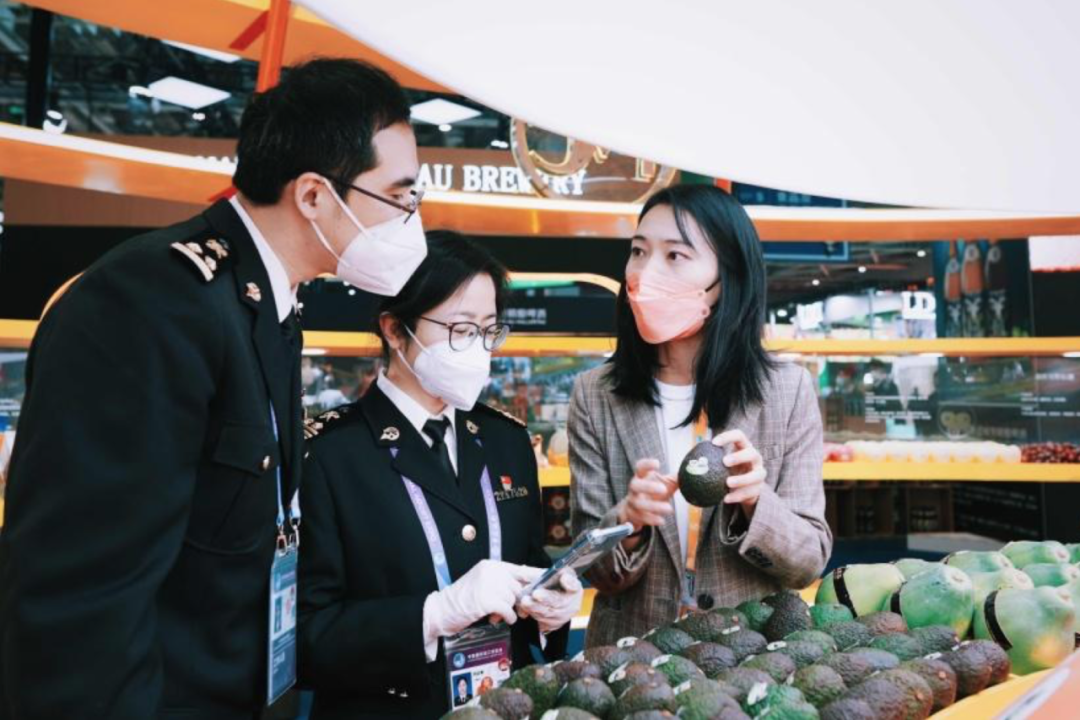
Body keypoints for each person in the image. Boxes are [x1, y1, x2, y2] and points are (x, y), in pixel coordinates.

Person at [0, 58, 427, 719]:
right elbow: (82, 602)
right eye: (400, 197)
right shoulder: (155, 302)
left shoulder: (266, 304)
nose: (409, 219)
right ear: (314, 196)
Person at [299, 231, 582, 719]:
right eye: (460, 328)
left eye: (488, 330)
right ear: (394, 329)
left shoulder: (506, 441)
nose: (478, 348)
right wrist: (433, 614)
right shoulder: (329, 454)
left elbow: (529, 562)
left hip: (505, 705)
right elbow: (305, 637)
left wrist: (550, 608)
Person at [569, 184, 832, 647]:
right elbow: (592, 569)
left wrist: (755, 502)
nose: (645, 272)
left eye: (675, 255)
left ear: (726, 277)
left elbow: (808, 563)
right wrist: (628, 521)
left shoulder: (786, 391)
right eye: (638, 251)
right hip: (628, 659)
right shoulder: (595, 394)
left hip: (749, 656)